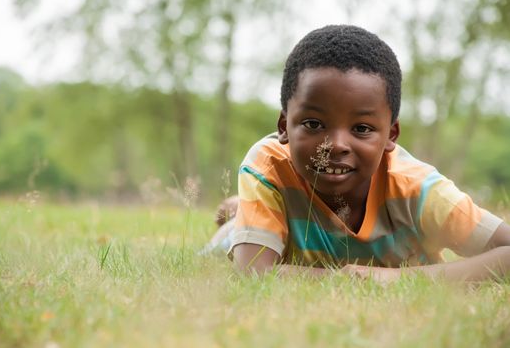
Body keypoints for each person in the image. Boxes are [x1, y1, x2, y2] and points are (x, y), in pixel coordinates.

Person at [209, 25, 510, 283]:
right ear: (284, 126)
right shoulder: (268, 165)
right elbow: (253, 272)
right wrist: (350, 278)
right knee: (230, 241)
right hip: (271, 223)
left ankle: (246, 209)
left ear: (391, 135)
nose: (337, 145)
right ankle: (242, 216)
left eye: (362, 128)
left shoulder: (419, 191)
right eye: (314, 124)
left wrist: (394, 279)